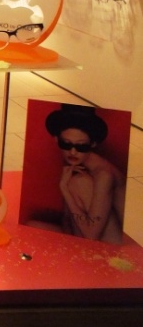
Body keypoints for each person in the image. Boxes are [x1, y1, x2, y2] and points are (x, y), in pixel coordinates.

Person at [44, 104, 125, 244]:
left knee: (78, 182)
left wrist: (64, 189)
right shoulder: (76, 164)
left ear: (93, 144)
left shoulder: (103, 175)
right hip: (83, 236)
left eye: (81, 146)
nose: (72, 152)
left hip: (110, 246)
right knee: (32, 225)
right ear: (57, 139)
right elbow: (67, 220)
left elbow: (91, 235)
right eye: (66, 144)